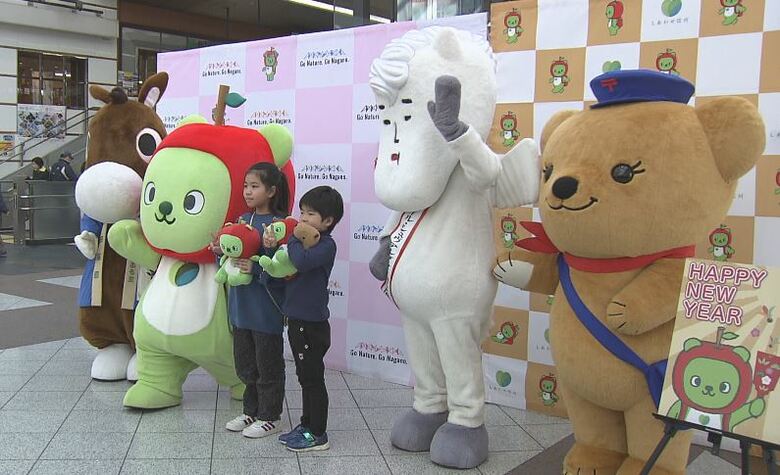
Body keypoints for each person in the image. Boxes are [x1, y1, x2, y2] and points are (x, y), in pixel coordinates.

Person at [213, 162, 289, 439]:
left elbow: (285, 267)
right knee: (246, 365)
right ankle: (251, 410)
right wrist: (217, 251)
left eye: (254, 186)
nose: (247, 191)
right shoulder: (241, 220)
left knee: (268, 365)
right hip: (240, 309)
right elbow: (228, 261)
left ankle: (271, 416)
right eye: (246, 186)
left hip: (266, 309)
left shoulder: (281, 226)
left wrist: (256, 268)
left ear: (271, 191)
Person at [275, 185, 343, 452]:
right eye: (301, 212)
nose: (302, 218)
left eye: (310, 214)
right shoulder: (303, 242)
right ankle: (306, 424)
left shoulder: (326, 245)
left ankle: (317, 434)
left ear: (327, 221)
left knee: (313, 378)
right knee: (305, 377)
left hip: (311, 324)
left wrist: (291, 237)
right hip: (296, 318)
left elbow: (301, 261)